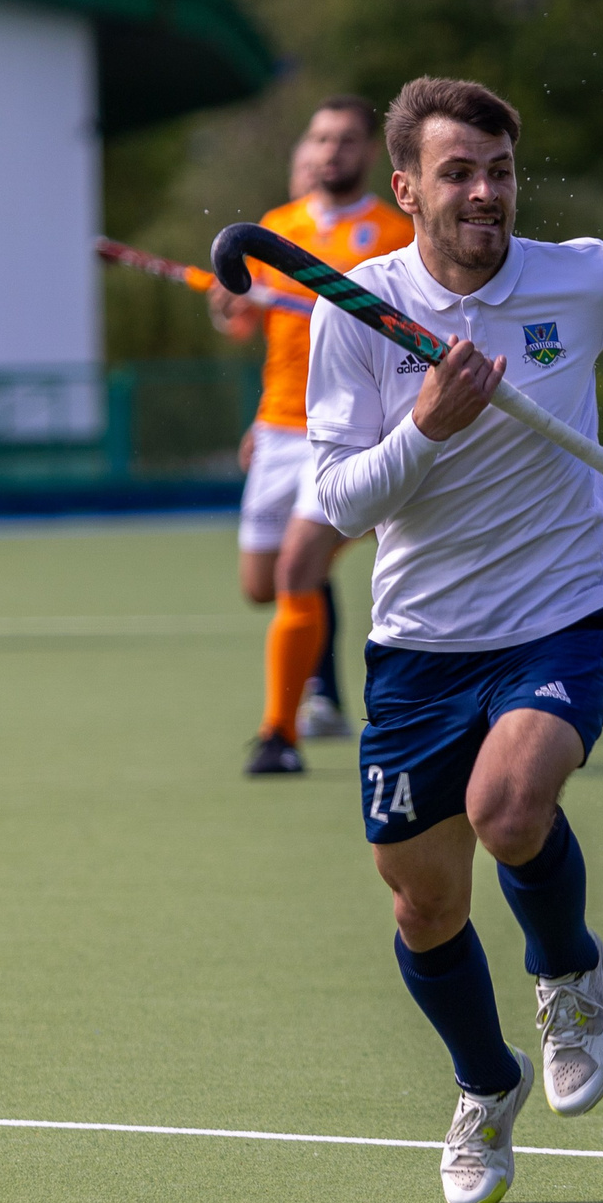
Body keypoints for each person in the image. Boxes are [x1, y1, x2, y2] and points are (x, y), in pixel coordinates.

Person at [306, 76, 603, 1203]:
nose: (486, 193)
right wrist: (424, 430)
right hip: (418, 647)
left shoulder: (578, 275)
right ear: (406, 189)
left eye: (498, 170)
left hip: (561, 612)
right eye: (459, 173)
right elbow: (343, 503)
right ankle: (485, 1087)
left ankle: (567, 972)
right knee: (423, 905)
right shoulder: (350, 308)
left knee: (510, 808)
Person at [214, 96, 413, 774]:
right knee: (262, 583)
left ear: (371, 154)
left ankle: (280, 734)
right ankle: (350, 534)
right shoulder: (278, 227)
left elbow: (402, 335)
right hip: (276, 429)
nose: (332, 150)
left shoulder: (393, 233)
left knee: (299, 568)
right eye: (322, 138)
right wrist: (232, 311)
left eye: (348, 139)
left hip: (347, 431)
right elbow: (253, 325)